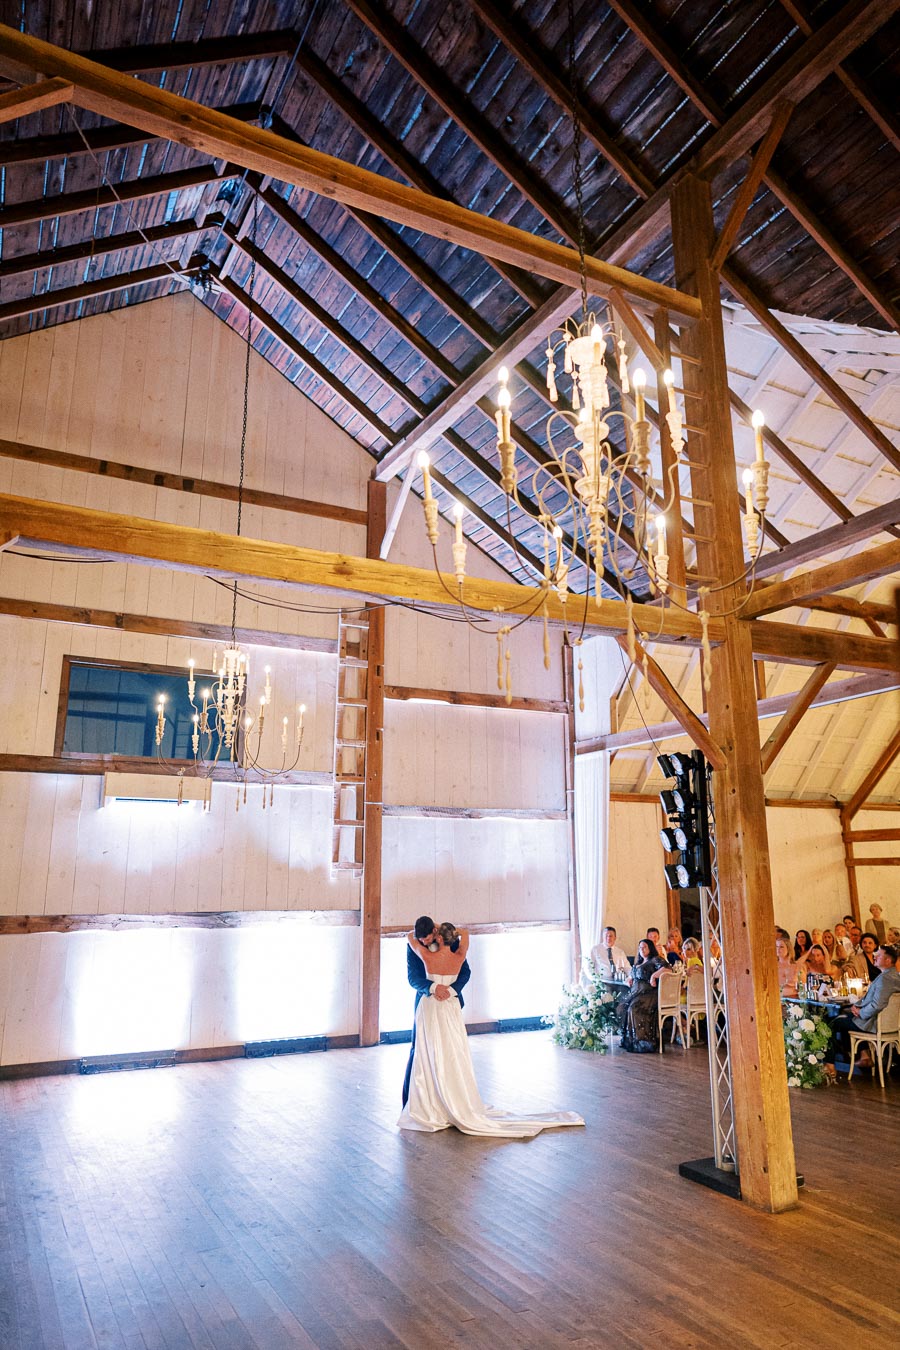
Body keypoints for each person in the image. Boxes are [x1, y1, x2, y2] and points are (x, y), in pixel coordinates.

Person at [398, 927, 584, 1137]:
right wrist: (452, 932)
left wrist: (448, 989)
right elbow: (416, 977)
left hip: (437, 1006)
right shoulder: (458, 952)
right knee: (434, 1052)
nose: (426, 940)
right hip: (444, 1006)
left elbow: (462, 971)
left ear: (436, 933)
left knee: (442, 1052)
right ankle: (437, 1101)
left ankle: (435, 1105)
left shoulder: (426, 955)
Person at [401, 915, 470, 1108]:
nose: (422, 942)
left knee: (452, 1051)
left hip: (450, 1003)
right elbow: (413, 978)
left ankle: (451, 1102)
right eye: (419, 939)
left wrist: (452, 991)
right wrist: (433, 988)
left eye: (425, 938)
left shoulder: (448, 944)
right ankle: (411, 1103)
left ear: (435, 933)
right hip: (428, 1003)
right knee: (419, 1050)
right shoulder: (417, 948)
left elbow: (466, 973)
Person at [825, 944, 900, 1072]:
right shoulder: (895, 976)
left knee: (830, 1022)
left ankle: (830, 1064)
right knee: (845, 1014)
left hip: (874, 1023)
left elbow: (877, 1005)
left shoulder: (885, 979)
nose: (875, 957)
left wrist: (861, 1012)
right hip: (890, 1024)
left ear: (887, 960)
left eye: (879, 955)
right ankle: (864, 1056)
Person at [617, 939, 669, 1053]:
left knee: (634, 1009)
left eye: (644, 947)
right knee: (622, 1007)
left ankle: (642, 1041)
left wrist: (654, 975)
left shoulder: (654, 960)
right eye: (640, 947)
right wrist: (629, 980)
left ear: (650, 948)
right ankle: (630, 1040)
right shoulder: (637, 963)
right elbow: (631, 976)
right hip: (636, 992)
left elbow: (667, 968)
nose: (642, 949)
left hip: (648, 993)